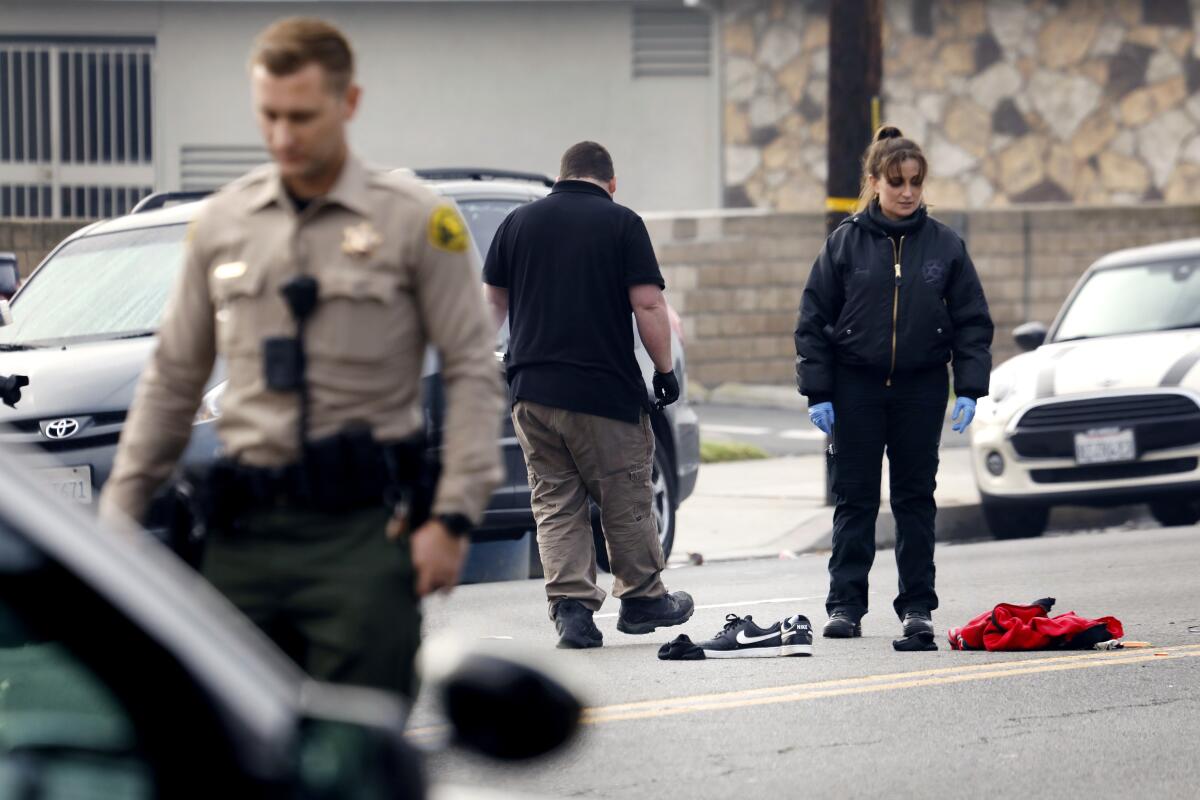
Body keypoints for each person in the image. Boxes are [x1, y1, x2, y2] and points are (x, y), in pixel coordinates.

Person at [99, 18, 504, 699]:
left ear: (348, 104)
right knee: (234, 744)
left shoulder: (413, 220)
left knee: (355, 750)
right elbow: (172, 379)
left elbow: (471, 368)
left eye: (302, 117)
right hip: (241, 539)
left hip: (362, 537)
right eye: (269, 116)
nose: (283, 136)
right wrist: (117, 516)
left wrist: (454, 517)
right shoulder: (221, 224)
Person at [482, 141, 694, 649]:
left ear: (562, 177)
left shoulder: (517, 223)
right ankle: (642, 599)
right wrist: (664, 371)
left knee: (555, 501)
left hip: (531, 392)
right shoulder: (621, 223)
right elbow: (648, 305)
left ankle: (573, 612)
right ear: (611, 183)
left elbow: (493, 301)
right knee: (625, 492)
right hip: (601, 391)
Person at [794, 126, 993, 641]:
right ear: (874, 181)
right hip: (855, 388)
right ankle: (845, 606)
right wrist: (819, 392)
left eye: (916, 182)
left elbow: (972, 320)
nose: (907, 192)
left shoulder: (945, 245)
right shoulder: (844, 244)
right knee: (855, 498)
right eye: (897, 181)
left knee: (914, 499)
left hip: (920, 388)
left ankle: (917, 608)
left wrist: (968, 387)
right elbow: (813, 320)